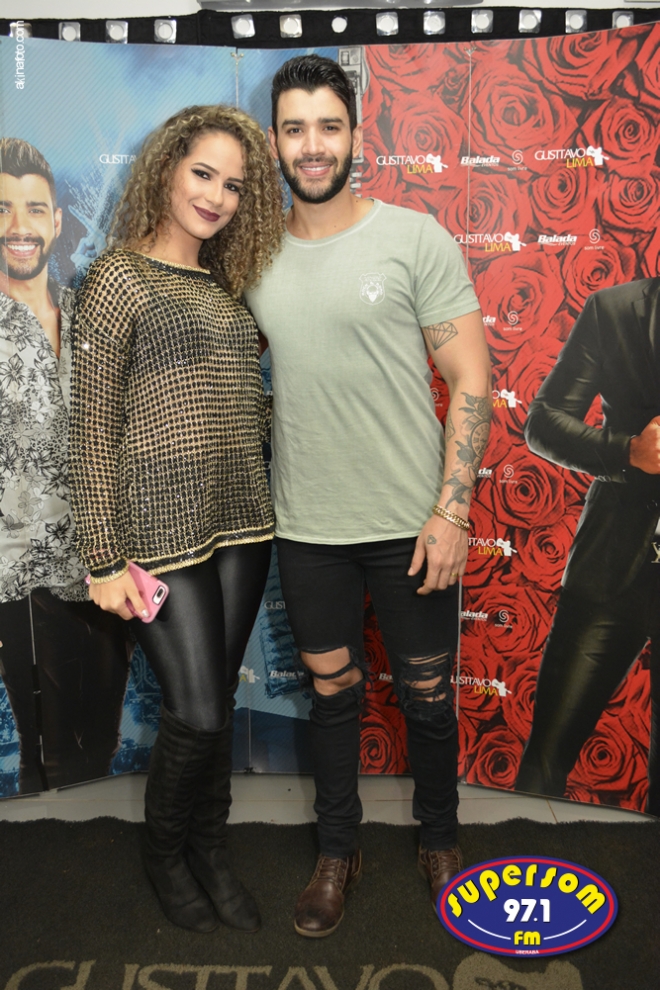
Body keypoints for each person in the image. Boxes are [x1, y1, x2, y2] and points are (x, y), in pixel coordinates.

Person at [244, 55, 491, 937]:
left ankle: (441, 840)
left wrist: (452, 511)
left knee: (427, 697)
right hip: (307, 526)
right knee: (333, 695)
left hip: (412, 523)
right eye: (295, 128)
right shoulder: (252, 254)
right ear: (274, 140)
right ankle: (337, 851)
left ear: (356, 134)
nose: (312, 146)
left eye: (328, 126)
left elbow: (471, 377)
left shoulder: (414, 238)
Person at [68, 105, 284, 933]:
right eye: (203, 174)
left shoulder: (229, 287)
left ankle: (211, 848)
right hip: (158, 535)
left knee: (216, 702)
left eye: (235, 185)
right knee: (194, 710)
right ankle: (164, 854)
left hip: (243, 523)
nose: (217, 196)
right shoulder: (117, 278)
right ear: (165, 169)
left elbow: (240, 402)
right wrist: (102, 556)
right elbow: (91, 427)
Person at [0, 138, 130, 796]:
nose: (17, 225)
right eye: (2, 208)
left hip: (100, 563)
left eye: (32, 209)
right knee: (39, 759)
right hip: (15, 577)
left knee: (98, 746)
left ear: (55, 221)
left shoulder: (88, 317)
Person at [515, 279, 660, 816]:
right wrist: (627, 452)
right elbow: (543, 421)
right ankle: (521, 856)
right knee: (544, 761)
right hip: (612, 561)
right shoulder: (615, 308)